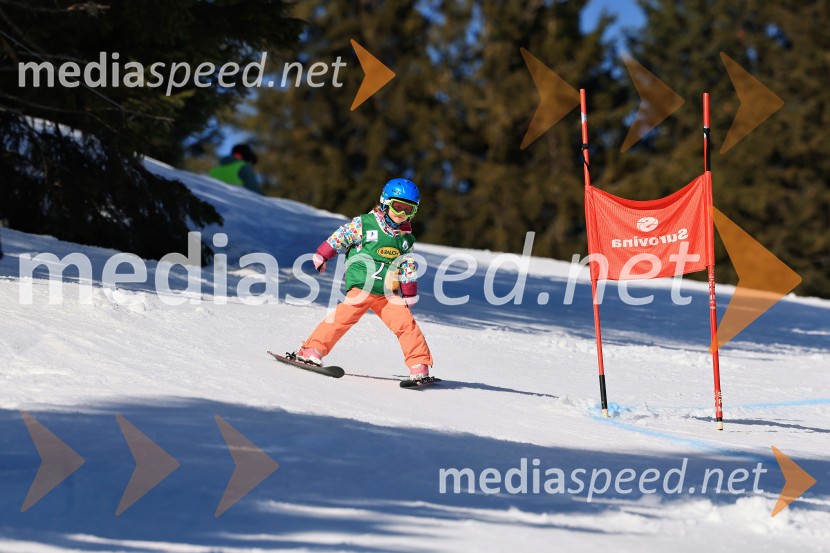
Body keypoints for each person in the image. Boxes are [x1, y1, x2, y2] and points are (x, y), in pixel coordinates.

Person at [293, 178, 434, 381]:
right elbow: (342, 236)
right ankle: (311, 351)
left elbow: (407, 266)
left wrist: (409, 292)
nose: (402, 214)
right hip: (362, 287)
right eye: (398, 207)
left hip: (388, 294)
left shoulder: (405, 239)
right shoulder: (365, 224)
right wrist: (323, 254)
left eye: (409, 210)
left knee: (406, 325)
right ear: (385, 202)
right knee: (340, 320)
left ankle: (419, 364)